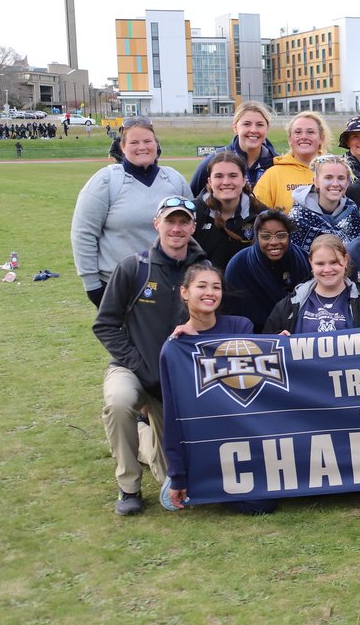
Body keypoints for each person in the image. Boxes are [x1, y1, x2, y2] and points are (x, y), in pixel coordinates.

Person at [92, 198, 207, 515]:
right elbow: (105, 325)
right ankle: (128, 487)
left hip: (177, 379)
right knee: (118, 402)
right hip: (133, 369)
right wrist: (140, 367)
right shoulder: (133, 268)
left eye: (184, 222)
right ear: (157, 224)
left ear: (193, 227)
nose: (177, 228)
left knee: (171, 478)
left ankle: (145, 438)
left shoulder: (204, 270)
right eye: (171, 221)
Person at [159, 263, 272, 515]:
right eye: (201, 286)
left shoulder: (240, 327)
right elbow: (173, 416)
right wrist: (178, 476)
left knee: (261, 504)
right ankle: (176, 475)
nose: (210, 292)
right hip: (206, 435)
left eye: (216, 287)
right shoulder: (176, 348)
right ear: (184, 292)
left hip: (244, 431)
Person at [71, 116, 192, 306]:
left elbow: (192, 229)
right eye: (134, 142)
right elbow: (84, 234)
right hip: (120, 287)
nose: (142, 147)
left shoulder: (174, 179)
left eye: (147, 141)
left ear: (156, 144)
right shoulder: (106, 180)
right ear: (122, 147)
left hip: (170, 284)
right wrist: (92, 285)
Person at [264, 235, 360, 334]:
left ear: (345, 260)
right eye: (320, 264)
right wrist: (278, 340)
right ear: (311, 262)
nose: (327, 269)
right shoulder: (290, 304)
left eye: (334, 262)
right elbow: (266, 348)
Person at [224, 210, 311, 329]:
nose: (274, 242)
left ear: (289, 236)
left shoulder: (304, 260)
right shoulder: (239, 265)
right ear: (256, 237)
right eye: (265, 236)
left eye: (281, 235)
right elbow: (231, 314)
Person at [193, 150, 268, 270]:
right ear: (209, 182)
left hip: (245, 286)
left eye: (233, 176)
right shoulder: (193, 213)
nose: (226, 182)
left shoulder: (261, 214)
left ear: (244, 180)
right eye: (218, 176)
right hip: (206, 286)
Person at [189, 102, 278, 196]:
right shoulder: (213, 161)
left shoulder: (276, 163)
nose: (253, 130)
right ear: (235, 128)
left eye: (260, 125)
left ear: (267, 129)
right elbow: (192, 199)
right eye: (246, 124)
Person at [253, 111, 330, 212]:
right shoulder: (273, 175)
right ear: (289, 139)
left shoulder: (334, 170)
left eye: (310, 132)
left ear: (321, 138)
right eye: (298, 132)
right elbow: (258, 216)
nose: (304, 137)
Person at [287, 154, 360, 253]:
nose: (335, 184)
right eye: (328, 178)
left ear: (348, 183)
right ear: (316, 182)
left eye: (341, 178)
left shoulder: (353, 213)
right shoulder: (298, 217)